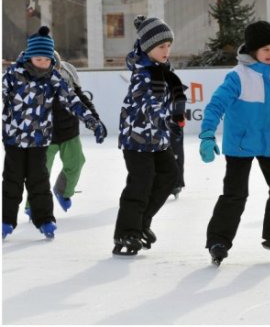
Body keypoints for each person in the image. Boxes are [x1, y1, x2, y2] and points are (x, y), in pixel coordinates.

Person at [200, 20, 270, 266]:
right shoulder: (238, 76)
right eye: (265, 50)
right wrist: (207, 134)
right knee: (235, 194)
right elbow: (216, 105)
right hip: (240, 143)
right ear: (253, 50)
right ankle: (218, 240)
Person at [2, 27, 106, 240]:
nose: (43, 64)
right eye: (38, 59)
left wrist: (93, 122)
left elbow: (74, 101)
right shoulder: (13, 75)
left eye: (47, 60)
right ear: (30, 57)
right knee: (12, 181)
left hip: (40, 140)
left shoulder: (54, 79)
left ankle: (45, 220)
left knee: (39, 181)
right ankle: (6, 220)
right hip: (14, 139)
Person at [113, 16, 186, 256]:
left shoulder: (162, 70)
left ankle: (141, 222)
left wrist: (176, 109)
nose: (166, 51)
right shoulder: (144, 74)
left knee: (169, 175)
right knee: (140, 183)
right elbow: (151, 105)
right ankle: (127, 231)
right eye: (160, 47)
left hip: (157, 139)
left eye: (168, 46)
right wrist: (169, 117)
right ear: (147, 48)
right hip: (137, 139)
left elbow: (171, 95)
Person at [41, 51, 102, 213]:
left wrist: (94, 120)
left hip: (69, 132)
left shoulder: (67, 73)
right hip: (43, 136)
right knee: (40, 172)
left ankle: (62, 191)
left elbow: (81, 98)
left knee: (76, 163)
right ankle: (34, 205)